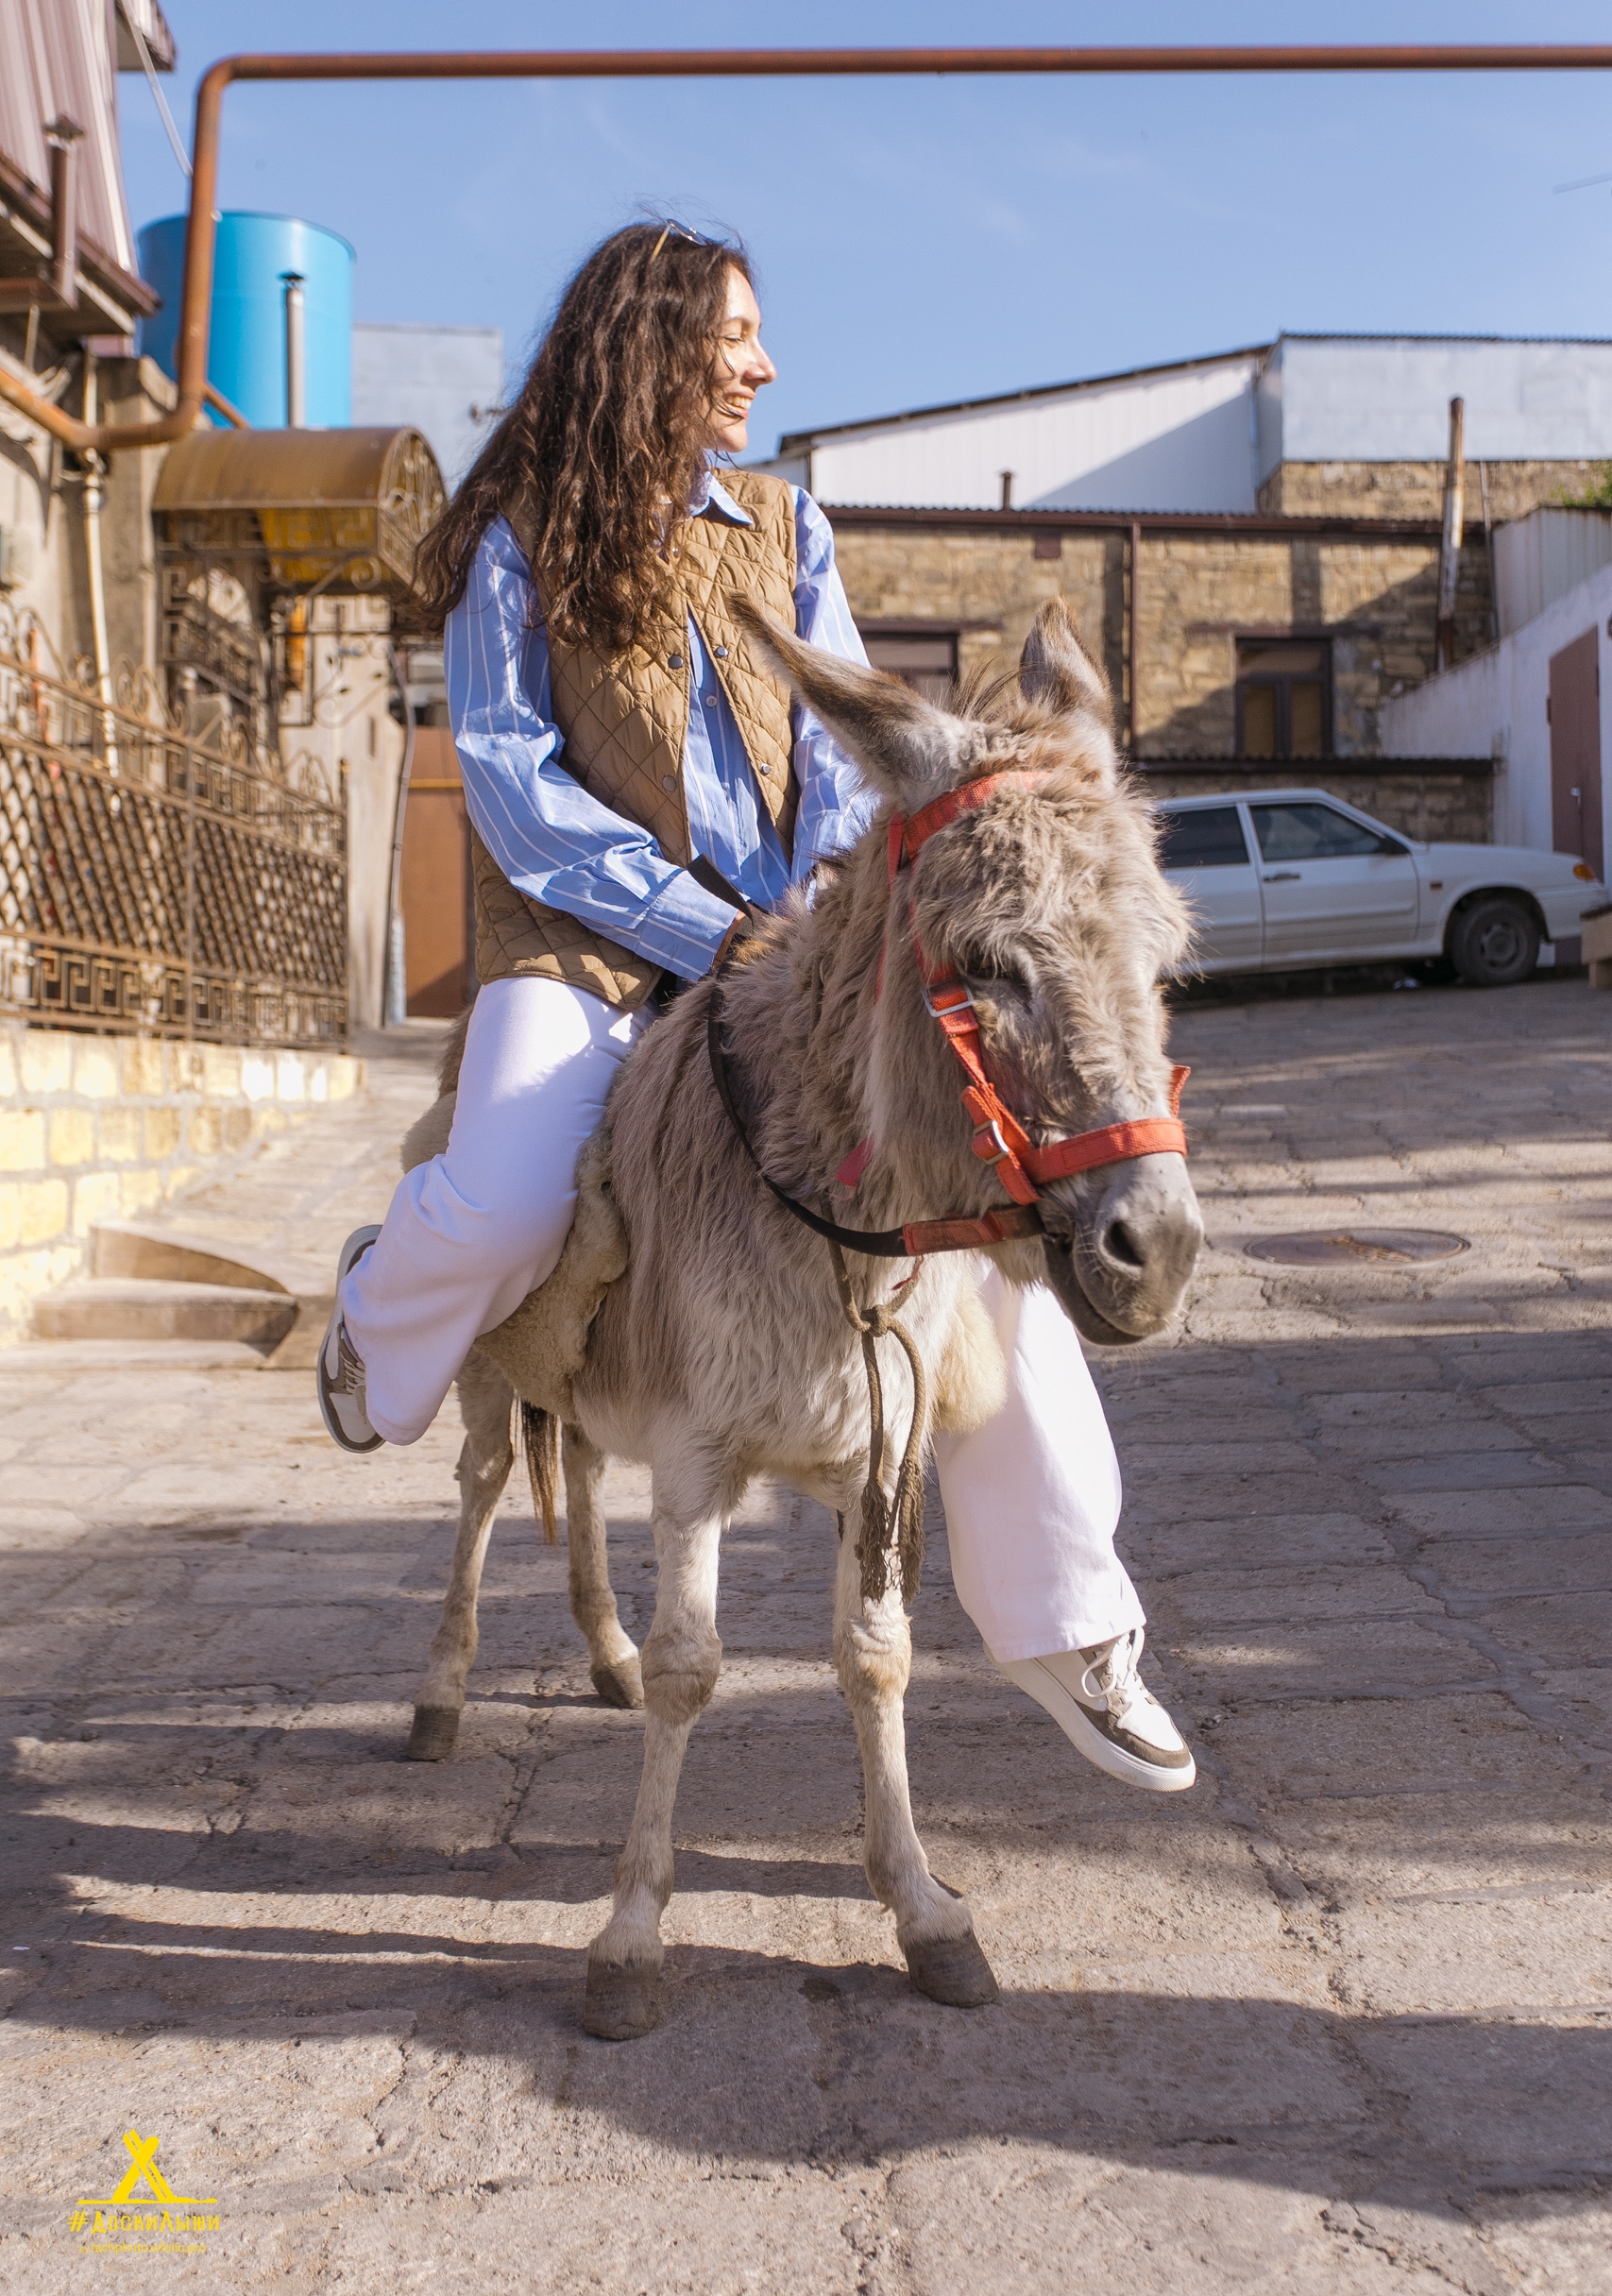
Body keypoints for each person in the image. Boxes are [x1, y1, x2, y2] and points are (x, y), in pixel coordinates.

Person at [318, 219, 1195, 1796]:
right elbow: (515, 794)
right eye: (736, 336)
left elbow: (839, 737)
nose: (764, 365)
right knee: (510, 1182)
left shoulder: (787, 525)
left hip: (783, 948)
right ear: (648, 344)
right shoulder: (515, 535)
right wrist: (704, 923)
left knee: (990, 1218)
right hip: (583, 952)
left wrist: (802, 921)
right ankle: (379, 1314)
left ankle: (1081, 1628)